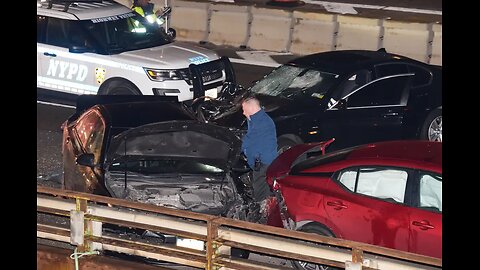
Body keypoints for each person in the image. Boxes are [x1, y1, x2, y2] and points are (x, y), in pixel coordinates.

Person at [240, 95, 278, 224]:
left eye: (244, 109)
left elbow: (249, 140)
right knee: (261, 189)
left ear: (251, 107)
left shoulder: (261, 123)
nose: (243, 112)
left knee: (261, 191)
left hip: (263, 164)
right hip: (261, 162)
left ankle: (263, 217)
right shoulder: (256, 119)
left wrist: (234, 148)